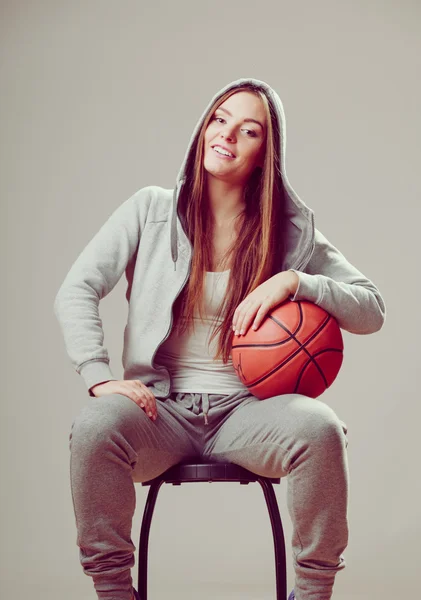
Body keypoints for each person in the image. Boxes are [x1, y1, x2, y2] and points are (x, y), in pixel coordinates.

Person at [54, 77, 386, 600]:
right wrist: (98, 377)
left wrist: (295, 281)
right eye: (219, 119)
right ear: (203, 127)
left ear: (265, 154)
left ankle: (315, 593)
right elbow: (77, 289)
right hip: (158, 411)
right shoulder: (150, 210)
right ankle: (115, 593)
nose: (227, 135)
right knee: (94, 427)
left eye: (248, 130)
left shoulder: (288, 231)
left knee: (321, 429)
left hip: (246, 413)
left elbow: (371, 309)